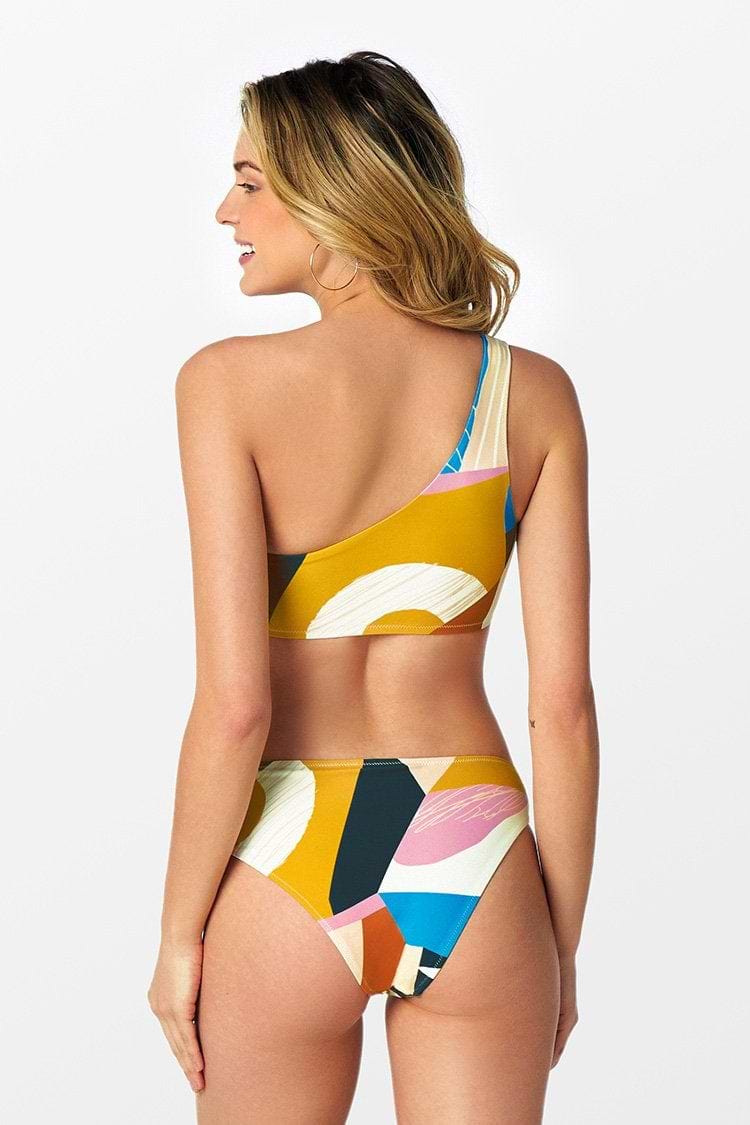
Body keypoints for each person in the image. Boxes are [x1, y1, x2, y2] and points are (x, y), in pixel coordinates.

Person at [147, 49, 599, 1124]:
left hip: (291, 846)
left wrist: (176, 936)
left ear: (332, 193)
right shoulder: (531, 394)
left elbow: (236, 709)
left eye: (250, 182)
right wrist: (558, 943)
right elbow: (565, 709)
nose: (225, 210)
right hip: (472, 843)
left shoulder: (226, 387)